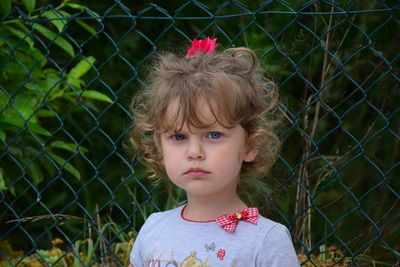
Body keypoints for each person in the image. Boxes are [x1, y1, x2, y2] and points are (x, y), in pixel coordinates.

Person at [129, 37, 299, 267]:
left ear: (250, 145)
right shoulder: (153, 229)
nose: (194, 152)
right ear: (159, 147)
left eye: (214, 135)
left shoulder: (266, 240)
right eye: (179, 137)